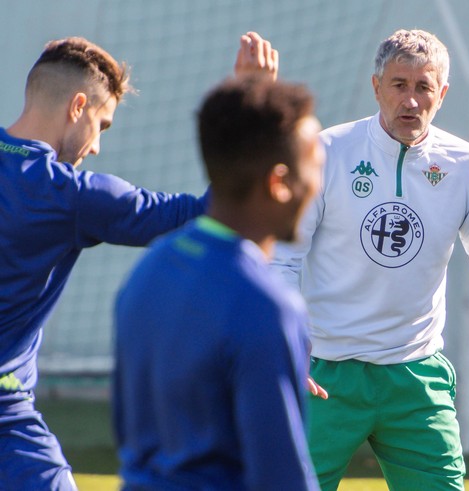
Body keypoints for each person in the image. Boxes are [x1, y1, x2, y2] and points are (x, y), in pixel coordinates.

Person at [0, 34, 268, 489]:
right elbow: (209, 214)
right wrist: (249, 106)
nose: (97, 146)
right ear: (77, 105)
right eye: (101, 125)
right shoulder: (69, 196)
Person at [272, 28, 469, 490]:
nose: (411, 100)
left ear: (442, 93)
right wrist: (288, 348)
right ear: (376, 88)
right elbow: (282, 258)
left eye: (424, 87)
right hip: (324, 371)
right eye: (399, 85)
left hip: (416, 372)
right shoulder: (326, 152)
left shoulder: (467, 165)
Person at [113, 74, 324, 490]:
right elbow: (280, 477)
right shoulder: (266, 304)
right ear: (279, 183)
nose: (318, 185)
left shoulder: (149, 270)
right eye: (316, 166)